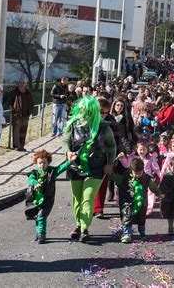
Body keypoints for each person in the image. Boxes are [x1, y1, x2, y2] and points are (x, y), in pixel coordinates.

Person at [62, 96, 117, 243]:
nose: (85, 114)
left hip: (96, 168)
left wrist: (110, 163)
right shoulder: (72, 125)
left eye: (88, 111)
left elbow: (112, 147)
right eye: (83, 111)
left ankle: (85, 227)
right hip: (76, 167)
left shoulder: (104, 127)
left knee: (88, 197)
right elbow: (65, 141)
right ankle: (79, 225)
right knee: (77, 198)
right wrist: (67, 152)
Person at [25, 149, 72, 244]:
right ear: (36, 163)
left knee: (41, 216)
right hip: (35, 199)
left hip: (47, 199)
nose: (42, 165)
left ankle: (42, 234)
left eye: (44, 163)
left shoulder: (52, 171)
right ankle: (38, 233)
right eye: (40, 163)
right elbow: (30, 179)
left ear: (48, 162)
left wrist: (70, 161)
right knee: (36, 217)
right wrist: (35, 183)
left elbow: (61, 168)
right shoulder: (34, 172)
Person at [115, 158, 162, 243]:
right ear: (131, 170)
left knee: (141, 218)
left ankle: (142, 232)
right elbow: (117, 179)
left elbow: (153, 186)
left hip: (142, 203)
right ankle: (127, 234)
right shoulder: (125, 177)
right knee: (127, 217)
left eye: (139, 173)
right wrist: (110, 174)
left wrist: (159, 193)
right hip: (127, 202)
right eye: (135, 173)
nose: (137, 175)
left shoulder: (146, 178)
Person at [4, 79, 34, 151]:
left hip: (26, 115)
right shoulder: (14, 92)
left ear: (26, 84)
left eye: (23, 83)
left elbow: (32, 102)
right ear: (17, 84)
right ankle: (17, 146)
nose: (22, 84)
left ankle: (22, 145)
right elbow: (9, 102)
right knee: (16, 131)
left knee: (23, 131)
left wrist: (30, 112)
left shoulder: (28, 93)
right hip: (17, 115)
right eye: (20, 83)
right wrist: (13, 111)